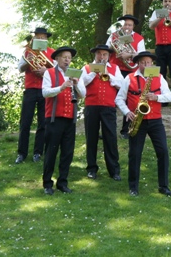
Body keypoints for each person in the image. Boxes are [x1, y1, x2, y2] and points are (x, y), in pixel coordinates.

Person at [115, 51, 171, 197]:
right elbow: (119, 99)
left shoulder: (159, 77)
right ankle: (133, 187)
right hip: (137, 120)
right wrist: (127, 112)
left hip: (155, 120)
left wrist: (156, 97)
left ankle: (164, 186)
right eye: (143, 62)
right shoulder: (129, 78)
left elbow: (169, 96)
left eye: (148, 62)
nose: (146, 65)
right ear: (138, 64)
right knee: (134, 154)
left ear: (152, 63)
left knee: (163, 152)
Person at [41, 46, 86, 195]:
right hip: (54, 119)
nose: (67, 60)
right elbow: (45, 92)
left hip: (70, 119)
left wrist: (75, 83)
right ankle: (47, 184)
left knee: (67, 153)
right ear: (57, 59)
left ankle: (62, 183)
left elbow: (83, 94)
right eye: (64, 57)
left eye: (69, 58)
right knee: (51, 152)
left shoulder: (74, 74)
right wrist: (61, 88)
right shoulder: (49, 72)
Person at [82, 44, 124, 181]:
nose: (102, 56)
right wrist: (95, 72)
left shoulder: (115, 68)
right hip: (91, 106)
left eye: (104, 54)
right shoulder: (87, 68)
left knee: (110, 138)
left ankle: (114, 170)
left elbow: (122, 84)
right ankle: (91, 169)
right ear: (95, 55)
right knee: (91, 138)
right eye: (99, 54)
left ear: (108, 56)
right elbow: (81, 83)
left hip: (108, 107)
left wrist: (109, 76)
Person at [15, 27, 55, 164]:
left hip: (45, 89)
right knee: (25, 122)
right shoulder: (28, 52)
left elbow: (58, 71)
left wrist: (46, 70)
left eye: (43, 38)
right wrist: (28, 61)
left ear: (46, 39)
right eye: (38, 37)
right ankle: (21, 153)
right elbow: (20, 68)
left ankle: (38, 152)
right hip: (30, 89)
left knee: (43, 123)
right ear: (34, 38)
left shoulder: (52, 52)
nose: (41, 39)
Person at [106, 14, 146, 138]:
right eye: (125, 24)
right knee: (110, 99)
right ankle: (108, 130)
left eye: (129, 25)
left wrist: (128, 55)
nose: (127, 27)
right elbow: (106, 49)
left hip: (130, 71)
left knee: (129, 100)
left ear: (133, 26)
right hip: (115, 70)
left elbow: (141, 55)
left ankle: (126, 130)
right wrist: (114, 45)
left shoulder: (139, 38)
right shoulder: (114, 35)